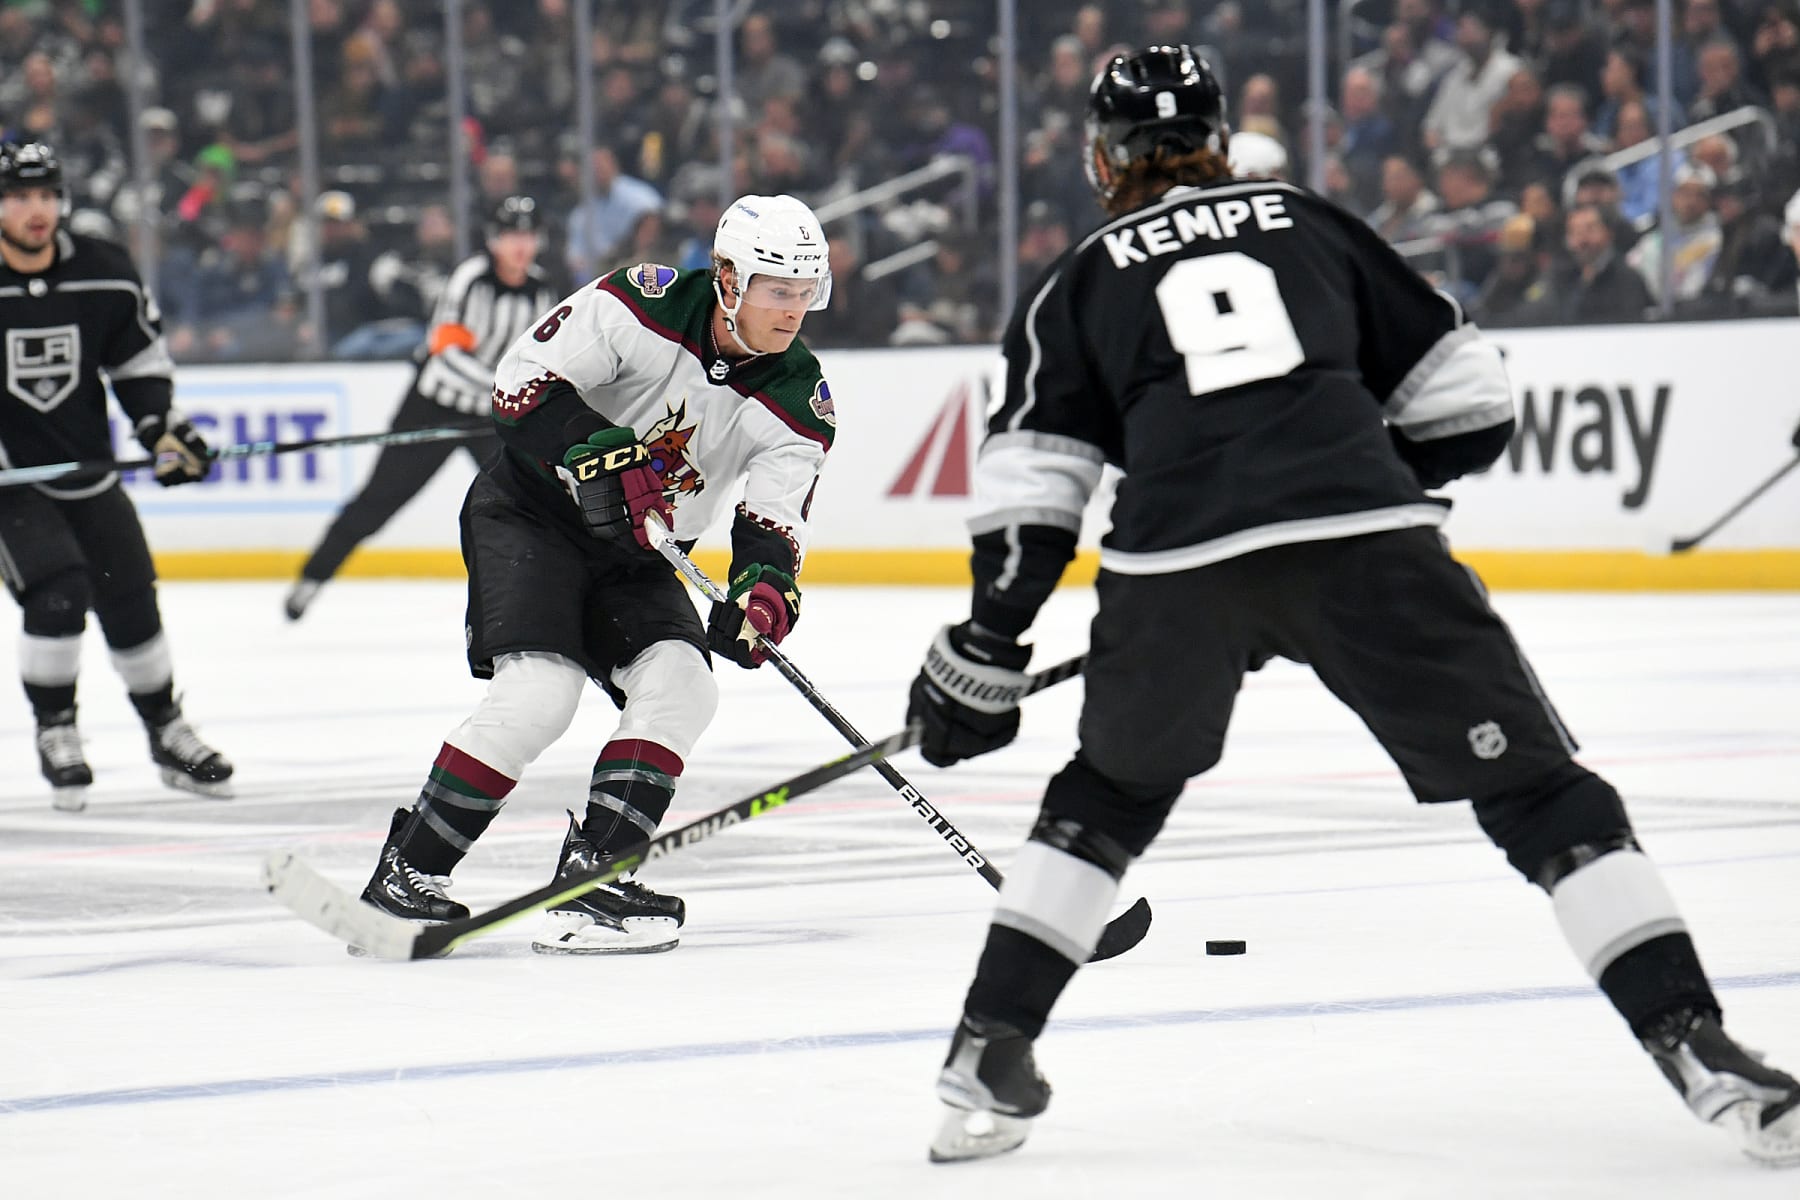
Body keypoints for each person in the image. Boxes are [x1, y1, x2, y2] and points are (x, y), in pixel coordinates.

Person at [907, 47, 1799, 1166]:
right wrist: (1346, 492)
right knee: (1540, 796)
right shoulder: (1307, 222)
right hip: (1363, 540)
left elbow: (1035, 493)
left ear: (1101, 158)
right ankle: (1698, 1044)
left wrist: (986, 649)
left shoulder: (1077, 277)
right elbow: (1473, 407)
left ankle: (991, 1044)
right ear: (1222, 142)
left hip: (1175, 567)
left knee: (1110, 795)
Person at [354, 193, 837, 956]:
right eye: (778, 290)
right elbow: (519, 388)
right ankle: (410, 873)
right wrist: (599, 448)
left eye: (806, 292)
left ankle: (598, 876)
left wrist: (764, 589)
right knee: (541, 692)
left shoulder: (799, 400)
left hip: (638, 552)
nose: (793, 311)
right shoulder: (639, 301)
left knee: (683, 683)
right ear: (727, 277)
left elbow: (773, 520)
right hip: (534, 516)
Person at [0, 141, 232, 811]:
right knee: (59, 593)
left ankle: (165, 728)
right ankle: (57, 728)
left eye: (45, 195)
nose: (35, 210)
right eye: (18, 197)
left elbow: (137, 366)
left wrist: (163, 430)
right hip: (12, 482)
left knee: (131, 595)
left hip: (91, 473)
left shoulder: (102, 272)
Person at [285, 196, 558, 621]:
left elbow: (536, 357)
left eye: (527, 235)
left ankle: (538, 595)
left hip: (490, 417)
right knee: (380, 499)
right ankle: (311, 578)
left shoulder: (541, 291)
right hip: (433, 406)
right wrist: (502, 388)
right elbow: (444, 352)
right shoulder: (470, 279)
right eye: (510, 235)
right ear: (492, 239)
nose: (519, 245)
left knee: (527, 503)